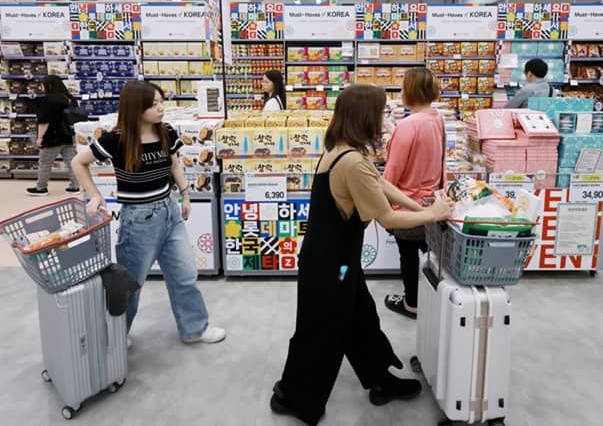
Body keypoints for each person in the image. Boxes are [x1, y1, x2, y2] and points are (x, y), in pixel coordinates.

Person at [270, 85, 454, 426]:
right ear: (365, 116)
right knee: (322, 328)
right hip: (331, 265)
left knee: (360, 317)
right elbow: (388, 218)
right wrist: (432, 215)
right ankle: (293, 398)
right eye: (382, 112)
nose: (386, 118)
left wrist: (423, 207)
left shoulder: (344, 149)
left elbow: (382, 185)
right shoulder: (352, 161)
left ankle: (380, 379)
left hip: (337, 258)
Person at [71, 81, 225, 346]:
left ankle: (195, 329)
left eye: (161, 102)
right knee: (131, 284)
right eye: (154, 104)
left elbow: (174, 164)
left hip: (169, 212)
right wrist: (95, 195)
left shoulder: (165, 131)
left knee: (185, 275)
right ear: (136, 108)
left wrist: (185, 194)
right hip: (138, 220)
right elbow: (78, 162)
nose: (161, 108)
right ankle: (116, 336)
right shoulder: (116, 139)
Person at [383, 68, 445, 319]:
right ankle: (436, 301)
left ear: (409, 91)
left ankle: (412, 304)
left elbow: (393, 171)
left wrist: (383, 202)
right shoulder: (437, 118)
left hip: (407, 204)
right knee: (430, 256)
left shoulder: (408, 125)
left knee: (407, 256)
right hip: (432, 202)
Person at [25, 75, 81, 196]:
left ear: (49, 85)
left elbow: (44, 121)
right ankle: (76, 186)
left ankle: (41, 188)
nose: (41, 87)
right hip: (68, 136)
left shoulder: (47, 100)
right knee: (71, 162)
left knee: (45, 163)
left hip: (52, 137)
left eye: (42, 85)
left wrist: (40, 138)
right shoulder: (69, 98)